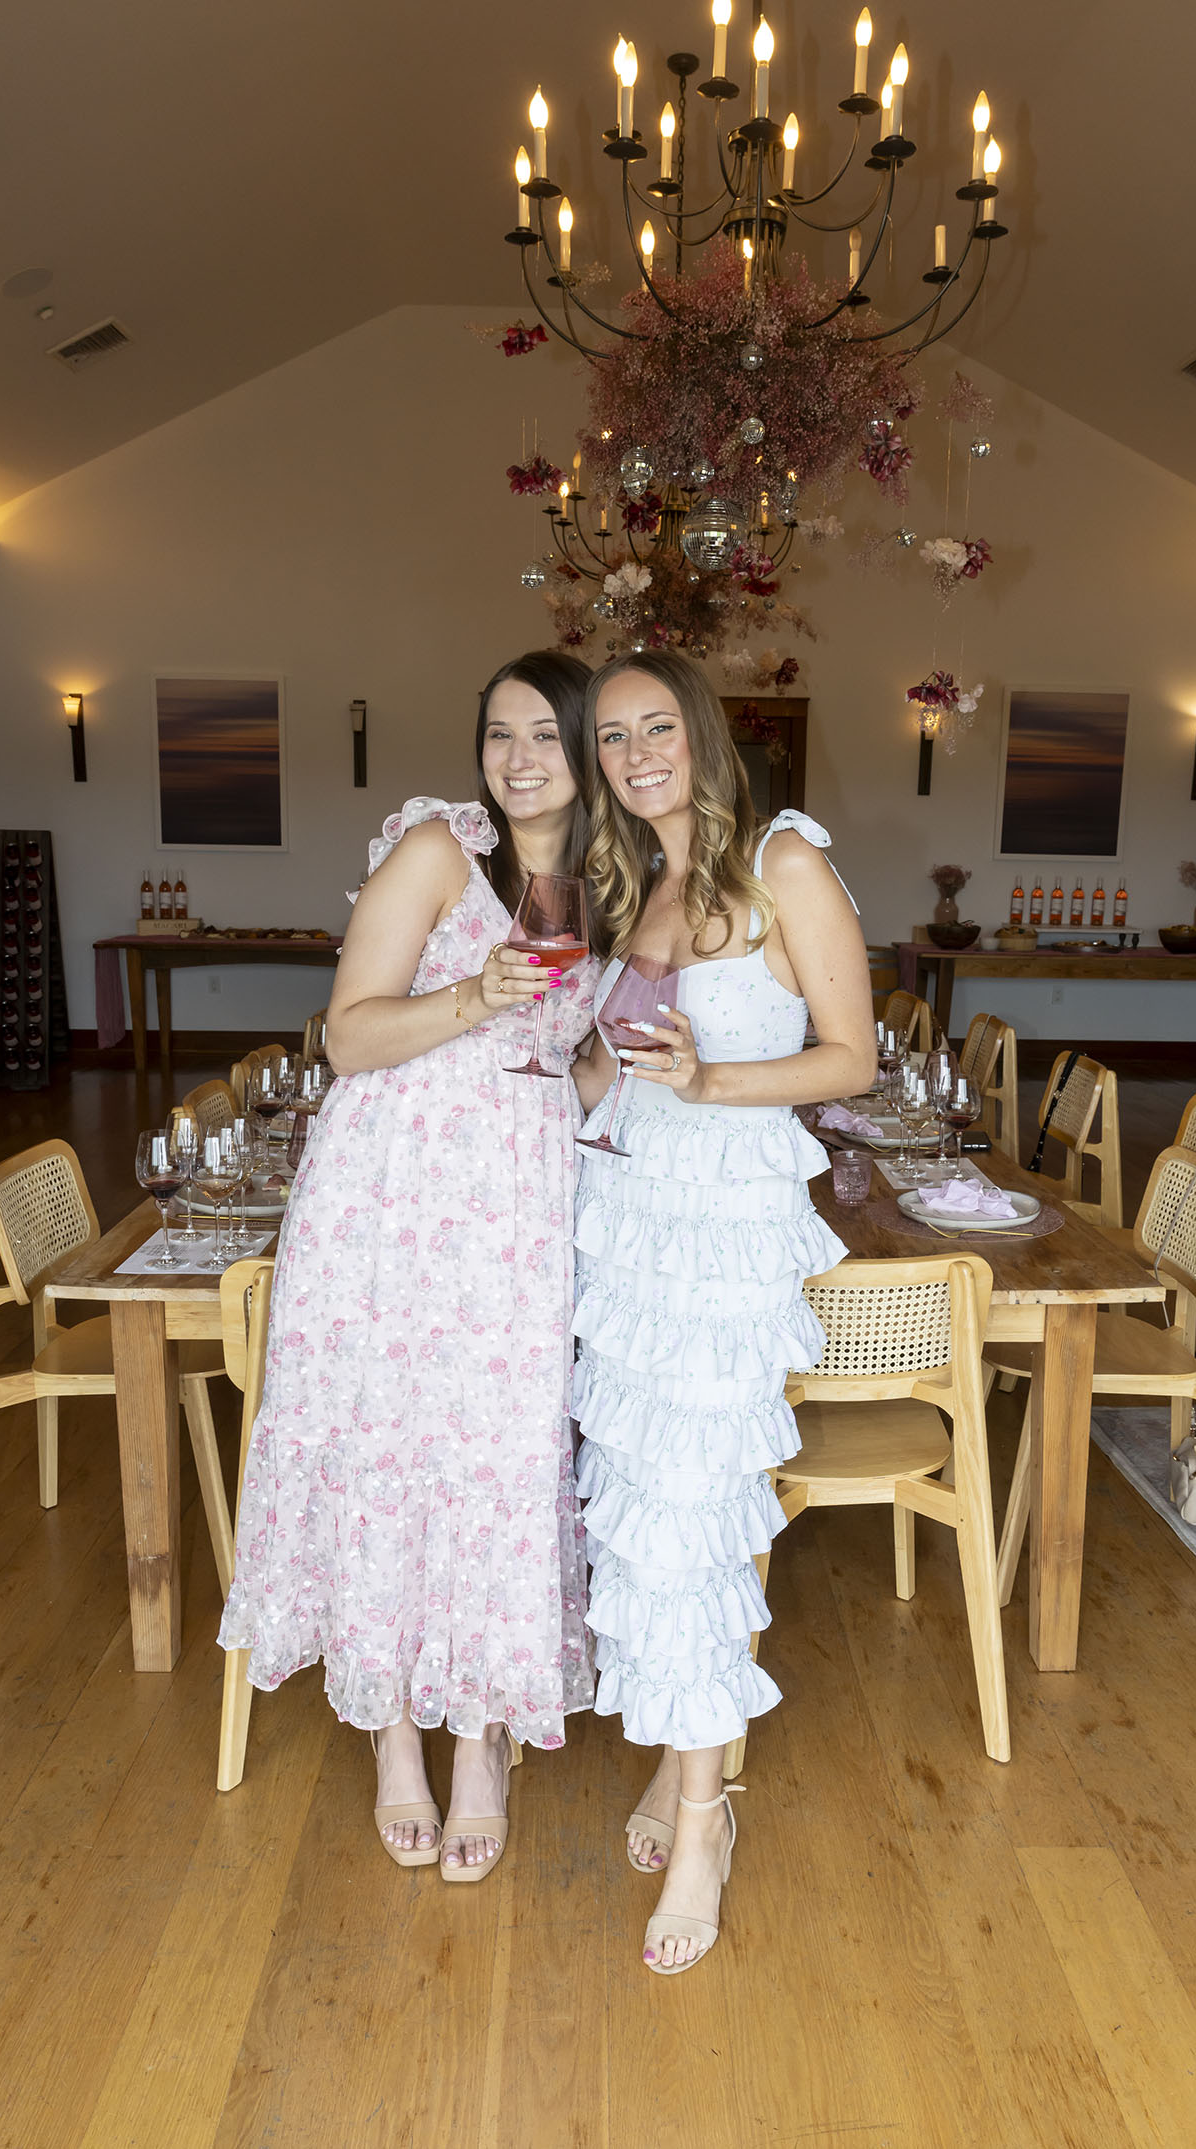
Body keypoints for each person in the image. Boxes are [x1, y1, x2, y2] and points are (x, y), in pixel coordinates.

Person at [219, 650, 602, 1881]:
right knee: (383, 1445)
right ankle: (393, 1733)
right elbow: (348, 1033)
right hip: (389, 1199)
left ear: (589, 747)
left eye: (546, 734)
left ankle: (482, 1741)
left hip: (519, 1210)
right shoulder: (440, 850)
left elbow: (576, 1053)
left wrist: (631, 1066)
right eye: (500, 734)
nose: (520, 758)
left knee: (497, 1457)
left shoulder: (612, 877)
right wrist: (478, 996)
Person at [572, 650, 875, 1972]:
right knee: (645, 1505)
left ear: (701, 733)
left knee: (696, 1503)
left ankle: (705, 1819)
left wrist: (711, 1080)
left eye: (657, 726)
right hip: (632, 1222)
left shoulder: (783, 862)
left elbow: (850, 1058)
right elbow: (608, 1070)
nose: (636, 753)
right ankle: (679, 1758)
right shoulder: (627, 884)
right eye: (612, 737)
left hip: (727, 1224)